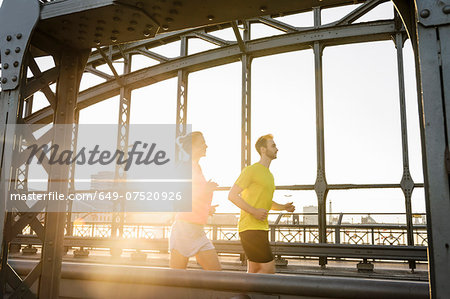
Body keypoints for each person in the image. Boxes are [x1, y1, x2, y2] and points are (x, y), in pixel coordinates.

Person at [228, 134, 295, 274]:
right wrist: (254, 211)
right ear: (263, 150)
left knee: (254, 271)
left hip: (261, 228)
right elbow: (232, 195)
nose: (277, 149)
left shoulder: (269, 175)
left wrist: (283, 207)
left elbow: (266, 202)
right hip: (250, 228)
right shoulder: (251, 170)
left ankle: (243, 295)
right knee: (268, 270)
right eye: (273, 146)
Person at [169, 131, 221, 270]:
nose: (206, 146)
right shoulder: (184, 167)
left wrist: (206, 208)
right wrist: (206, 190)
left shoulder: (197, 168)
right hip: (183, 230)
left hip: (198, 230)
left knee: (217, 274)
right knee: (176, 279)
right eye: (202, 143)